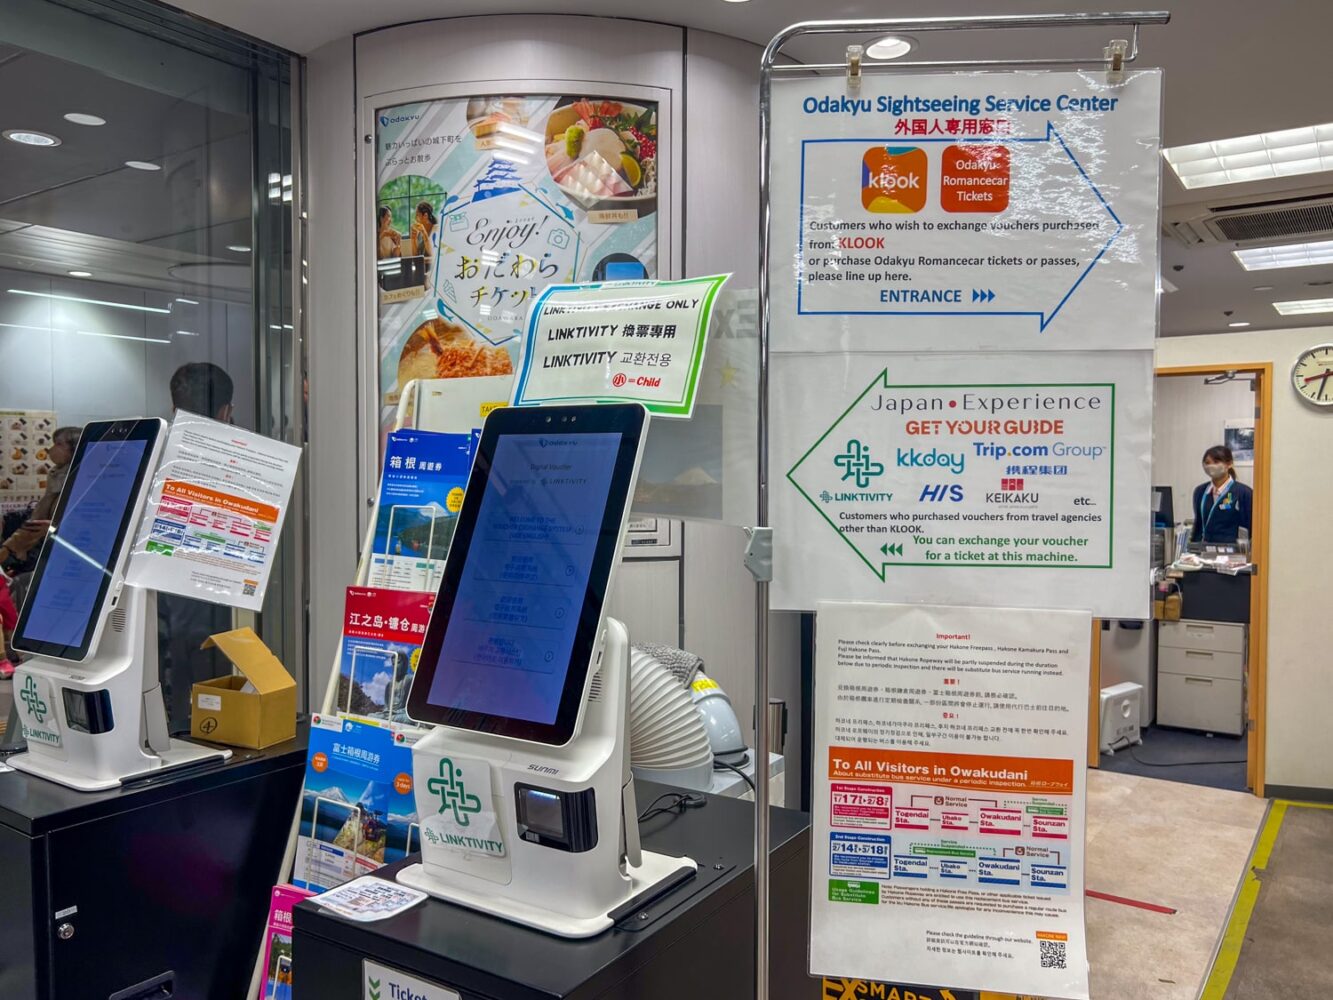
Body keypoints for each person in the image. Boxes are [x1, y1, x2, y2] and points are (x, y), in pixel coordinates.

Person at [159, 362, 237, 732]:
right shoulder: (242, 463)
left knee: (173, 682)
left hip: (160, 597)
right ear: (226, 412)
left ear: (174, 408)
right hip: (215, 600)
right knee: (212, 690)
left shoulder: (154, 454)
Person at [1190, 445, 1253, 546]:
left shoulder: (1243, 492)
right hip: (1203, 552)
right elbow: (1198, 525)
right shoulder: (1200, 491)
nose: (1211, 466)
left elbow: (1249, 528)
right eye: (1207, 463)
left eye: (1216, 462)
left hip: (1232, 554)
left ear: (1229, 464)